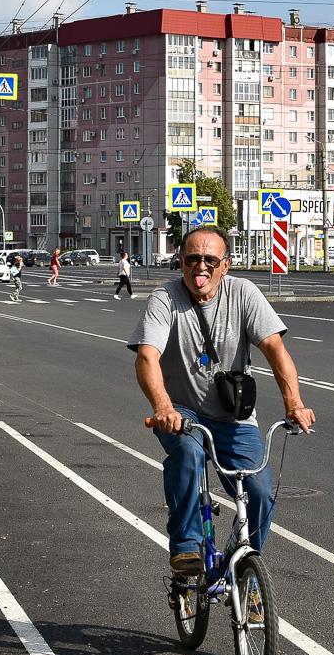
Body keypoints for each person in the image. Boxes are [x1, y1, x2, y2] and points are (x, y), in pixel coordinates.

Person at [129, 226, 316, 575]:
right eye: (193, 259)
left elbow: (275, 348)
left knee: (259, 493)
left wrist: (294, 404)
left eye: (210, 260)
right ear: (181, 262)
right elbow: (147, 357)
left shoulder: (243, 293)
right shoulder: (164, 299)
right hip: (181, 412)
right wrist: (164, 408)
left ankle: (244, 571)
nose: (201, 267)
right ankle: (186, 546)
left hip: (234, 418)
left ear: (225, 265)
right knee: (188, 453)